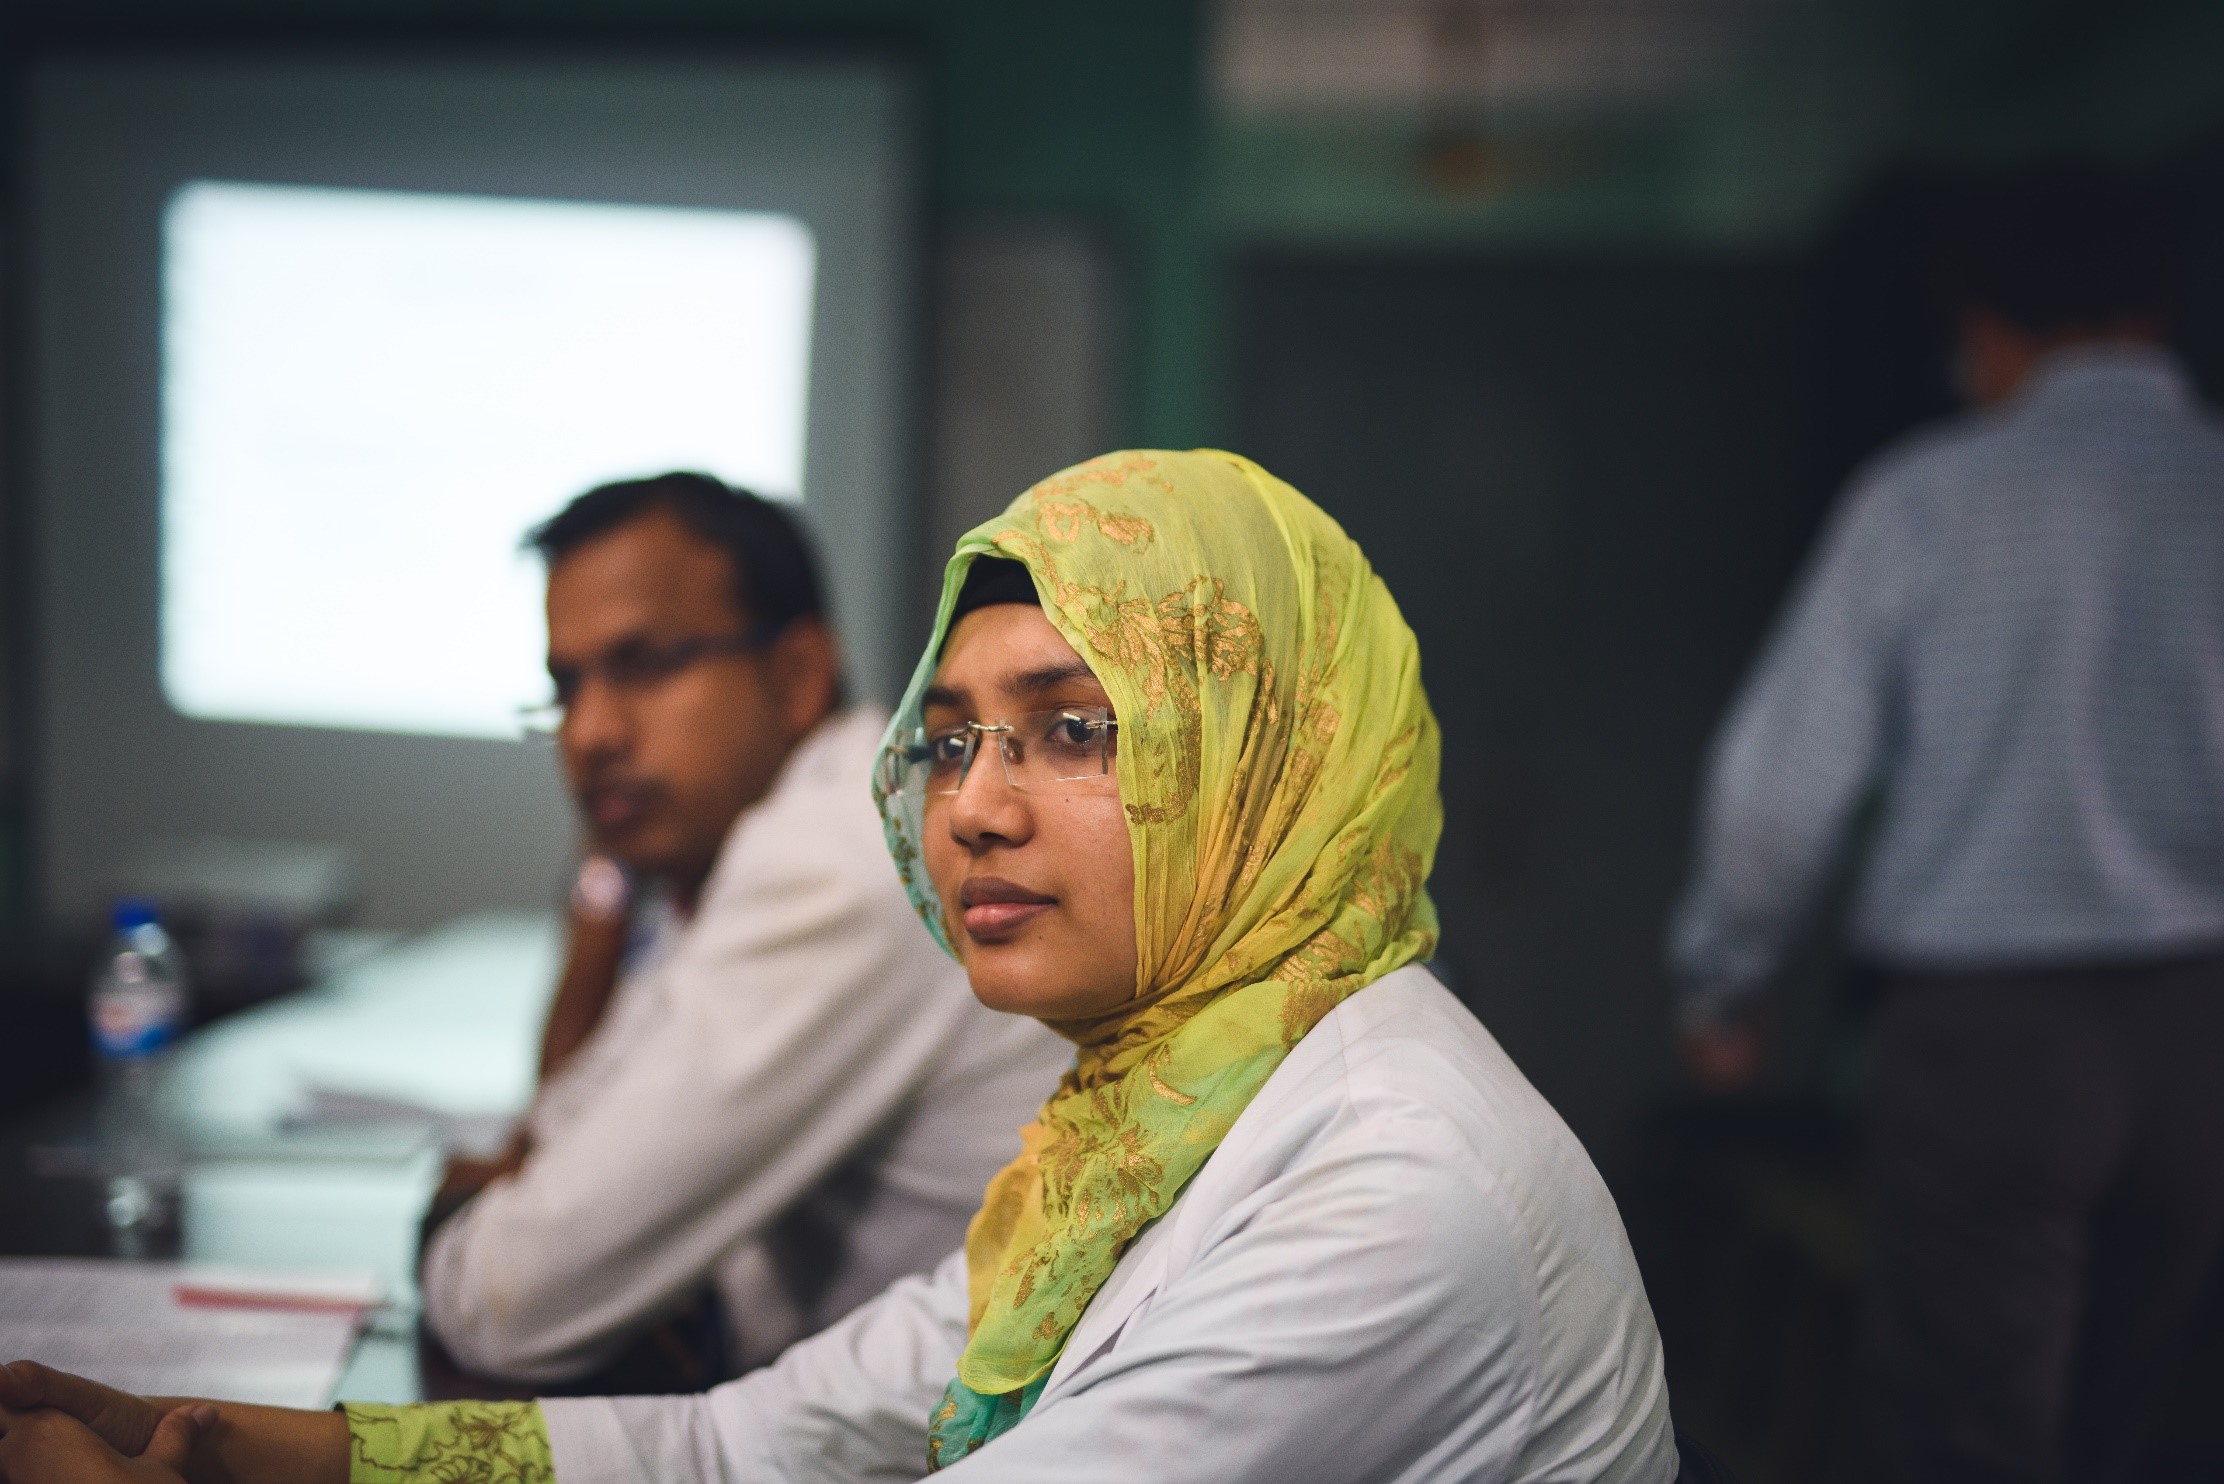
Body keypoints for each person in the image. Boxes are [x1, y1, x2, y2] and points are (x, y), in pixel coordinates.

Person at [0, 450, 1678, 1482]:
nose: (977, 810)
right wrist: (240, 1446)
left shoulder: (1388, 1184)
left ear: (1267, 760)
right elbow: (733, 1446)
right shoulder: (1152, 1112)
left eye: (1074, 731)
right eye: (948, 742)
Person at [1668, 166, 2224, 1483]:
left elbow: (1779, 789)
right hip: (2204, 1027)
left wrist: (1724, 979)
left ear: (1981, 332)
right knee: (2134, 1421)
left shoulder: (1924, 503)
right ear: (2152, 314)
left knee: (1966, 1436)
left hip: (1990, 1041)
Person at [420, 472, 1070, 1381]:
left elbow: (508, 1298)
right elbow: (559, 1135)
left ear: (797, 675)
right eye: (565, 686)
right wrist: (610, 882)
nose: (591, 732)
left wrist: (446, 1222)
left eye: (642, 666)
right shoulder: (748, 849)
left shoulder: (832, 860)